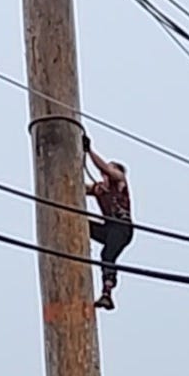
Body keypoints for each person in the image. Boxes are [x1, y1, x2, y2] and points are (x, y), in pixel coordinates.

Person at [84, 134, 133, 312]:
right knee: (83, 224)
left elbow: (104, 166)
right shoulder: (99, 189)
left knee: (107, 255)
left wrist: (89, 150)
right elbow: (79, 187)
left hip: (122, 227)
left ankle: (107, 292)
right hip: (108, 228)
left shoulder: (120, 181)